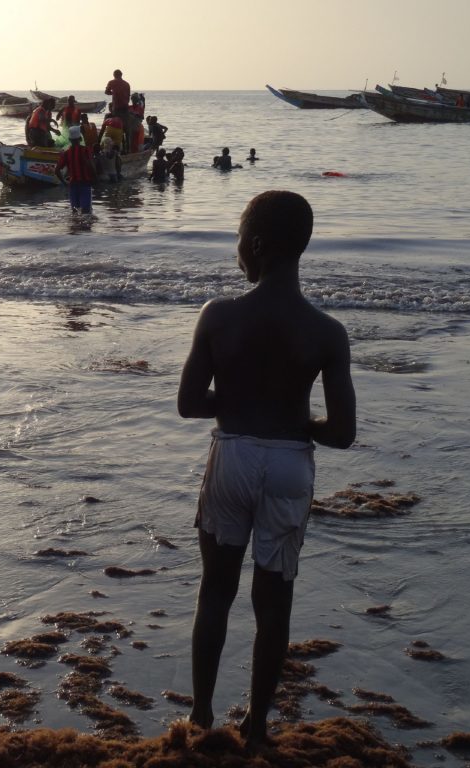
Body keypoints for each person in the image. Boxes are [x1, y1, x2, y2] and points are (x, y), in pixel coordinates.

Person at [177, 190, 356, 751]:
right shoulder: (327, 332)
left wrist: (238, 402)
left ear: (253, 246)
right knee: (274, 603)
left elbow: (189, 402)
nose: (237, 253)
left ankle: (201, 716)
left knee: (215, 593)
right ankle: (256, 730)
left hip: (232, 457)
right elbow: (343, 433)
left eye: (238, 242)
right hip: (287, 467)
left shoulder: (219, 315)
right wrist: (296, 421)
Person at [55, 125, 96, 213]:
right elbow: (92, 166)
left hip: (73, 185)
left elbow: (57, 170)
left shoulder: (66, 153)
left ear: (69, 140)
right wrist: (95, 179)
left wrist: (64, 182)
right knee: (86, 212)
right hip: (85, 184)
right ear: (80, 139)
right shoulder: (86, 150)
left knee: (75, 212)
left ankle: (74, 226)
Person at [104, 69, 131, 150]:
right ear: (121, 75)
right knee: (126, 129)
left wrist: (113, 93)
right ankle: (127, 148)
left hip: (117, 108)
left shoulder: (112, 82)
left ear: (114, 75)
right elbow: (128, 96)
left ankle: (115, 148)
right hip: (125, 107)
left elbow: (106, 92)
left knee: (117, 127)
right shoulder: (127, 84)